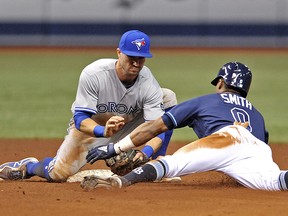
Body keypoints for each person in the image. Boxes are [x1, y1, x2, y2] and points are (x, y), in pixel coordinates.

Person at [0, 30, 177, 182]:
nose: (136, 63)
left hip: (128, 125)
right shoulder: (95, 74)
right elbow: (80, 119)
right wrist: (103, 131)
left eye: (141, 58)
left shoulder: (148, 81)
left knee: (167, 97)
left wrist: (144, 153)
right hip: (91, 128)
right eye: (131, 57)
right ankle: (29, 166)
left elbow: (157, 127)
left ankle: (154, 164)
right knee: (58, 174)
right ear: (118, 53)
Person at [83, 61, 288, 191]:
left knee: (172, 164)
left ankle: (120, 182)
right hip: (259, 149)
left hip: (227, 138)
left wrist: (114, 147)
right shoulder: (258, 116)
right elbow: (253, 146)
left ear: (220, 83)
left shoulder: (204, 102)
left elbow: (154, 127)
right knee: (275, 181)